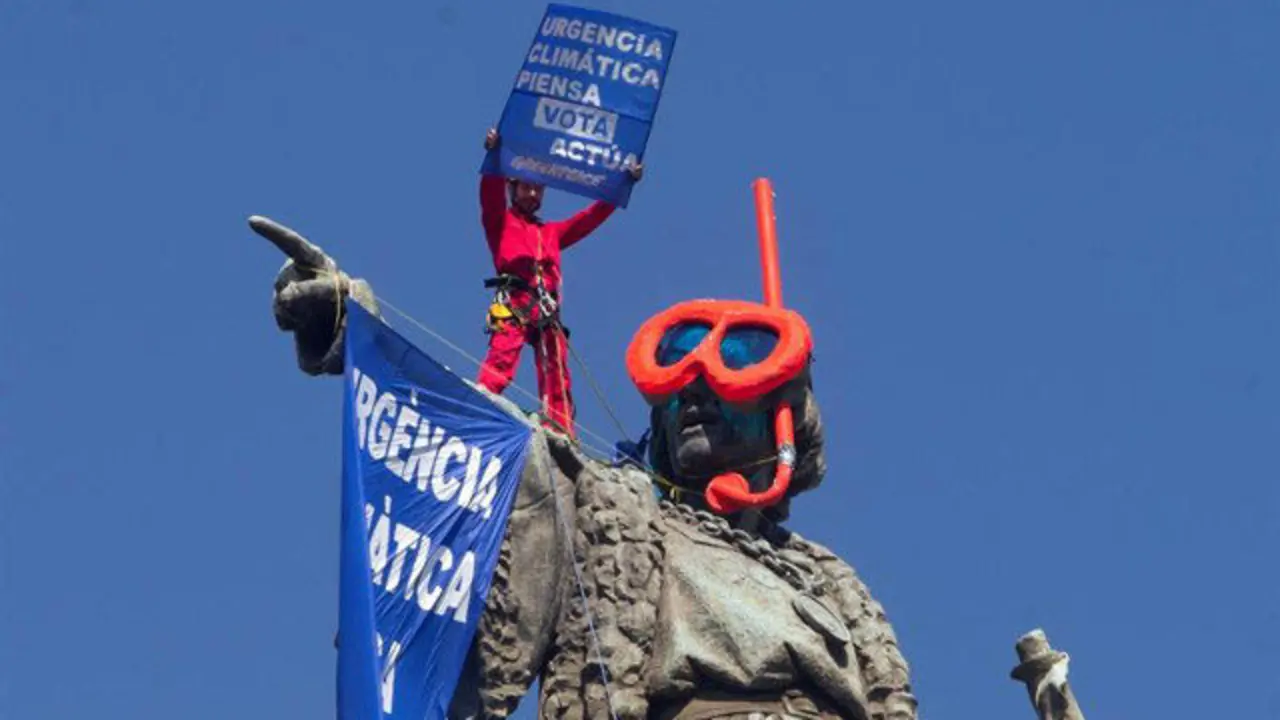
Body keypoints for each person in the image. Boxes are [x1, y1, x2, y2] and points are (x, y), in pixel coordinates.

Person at [476, 128, 642, 436]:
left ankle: (561, 428)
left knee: (557, 368)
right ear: (514, 186)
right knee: (504, 351)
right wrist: (495, 155)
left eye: (540, 190)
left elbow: (588, 219)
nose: (535, 194)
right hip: (514, 301)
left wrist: (623, 183)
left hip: (546, 310)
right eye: (528, 187)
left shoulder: (550, 233)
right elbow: (489, 195)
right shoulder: (501, 223)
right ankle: (481, 399)